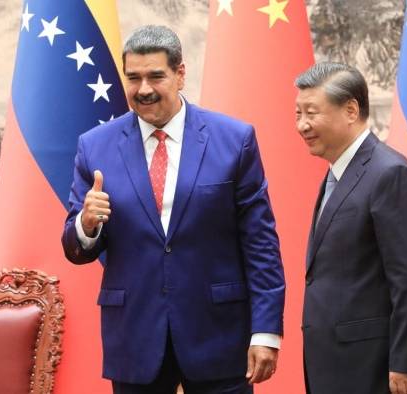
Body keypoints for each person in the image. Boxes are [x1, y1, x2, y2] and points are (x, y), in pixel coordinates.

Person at [61, 25, 285, 394]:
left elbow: (260, 245)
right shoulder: (94, 146)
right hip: (135, 340)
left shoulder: (234, 140)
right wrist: (86, 224)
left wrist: (266, 332)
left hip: (218, 337)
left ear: (180, 74)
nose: (144, 89)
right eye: (133, 78)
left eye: (155, 76)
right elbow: (75, 250)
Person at [295, 62, 407, 394]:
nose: (302, 125)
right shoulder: (338, 174)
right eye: (298, 113)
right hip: (341, 366)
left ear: (351, 110)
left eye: (311, 113)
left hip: (380, 370)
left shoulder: (390, 174)